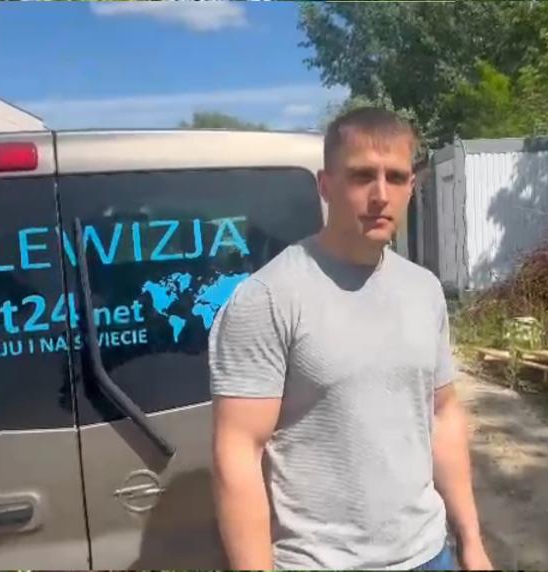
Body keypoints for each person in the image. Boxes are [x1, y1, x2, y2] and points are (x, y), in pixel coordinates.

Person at [208, 107, 493, 571]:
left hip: (428, 554)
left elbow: (443, 414)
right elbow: (237, 453)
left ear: (411, 187)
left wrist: (471, 540)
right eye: (362, 176)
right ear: (325, 186)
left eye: (395, 177)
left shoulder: (423, 290)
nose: (380, 195)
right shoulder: (268, 298)